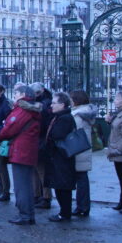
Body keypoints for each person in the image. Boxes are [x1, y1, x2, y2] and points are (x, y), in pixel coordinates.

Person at [0, 85, 41, 225]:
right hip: (27, 150)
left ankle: (25, 215)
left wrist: (1, 133)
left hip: (20, 151)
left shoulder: (22, 110)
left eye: (16, 93)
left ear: (22, 94)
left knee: (21, 185)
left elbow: (8, 128)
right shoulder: (31, 110)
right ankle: (27, 213)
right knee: (26, 184)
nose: (14, 95)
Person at [43, 92, 77, 222]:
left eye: (54, 103)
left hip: (62, 156)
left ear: (62, 105)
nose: (51, 105)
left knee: (63, 186)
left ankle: (65, 213)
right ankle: (64, 211)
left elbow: (57, 134)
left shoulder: (64, 118)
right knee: (59, 185)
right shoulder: (58, 116)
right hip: (57, 156)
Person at [70, 89, 97, 217]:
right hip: (83, 149)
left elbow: (72, 130)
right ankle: (82, 206)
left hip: (78, 149)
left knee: (81, 179)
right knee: (81, 178)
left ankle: (82, 207)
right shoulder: (85, 112)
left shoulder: (79, 114)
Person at [29, 82, 53, 209]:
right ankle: (38, 195)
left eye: (37, 93)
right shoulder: (43, 102)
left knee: (42, 170)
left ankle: (46, 197)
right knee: (36, 170)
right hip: (37, 139)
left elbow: (43, 122)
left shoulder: (46, 103)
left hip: (41, 140)